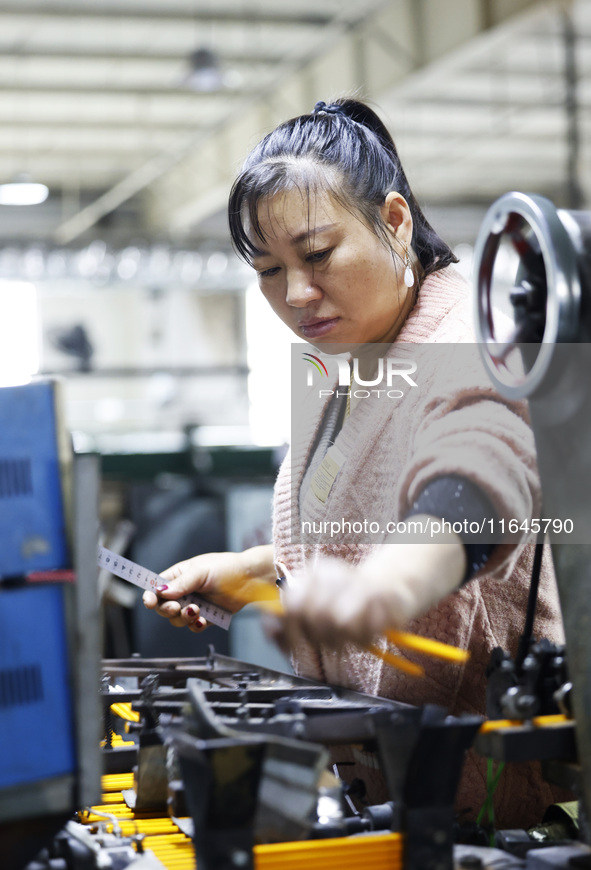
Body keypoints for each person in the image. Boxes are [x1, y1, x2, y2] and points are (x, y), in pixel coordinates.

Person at [143, 98, 566, 828]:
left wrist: (384, 587)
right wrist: (267, 569)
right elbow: (361, 514)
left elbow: (480, 474)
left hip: (490, 816)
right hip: (389, 794)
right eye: (268, 269)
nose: (296, 295)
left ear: (394, 223)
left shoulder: (465, 333)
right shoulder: (350, 358)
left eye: (316, 255)